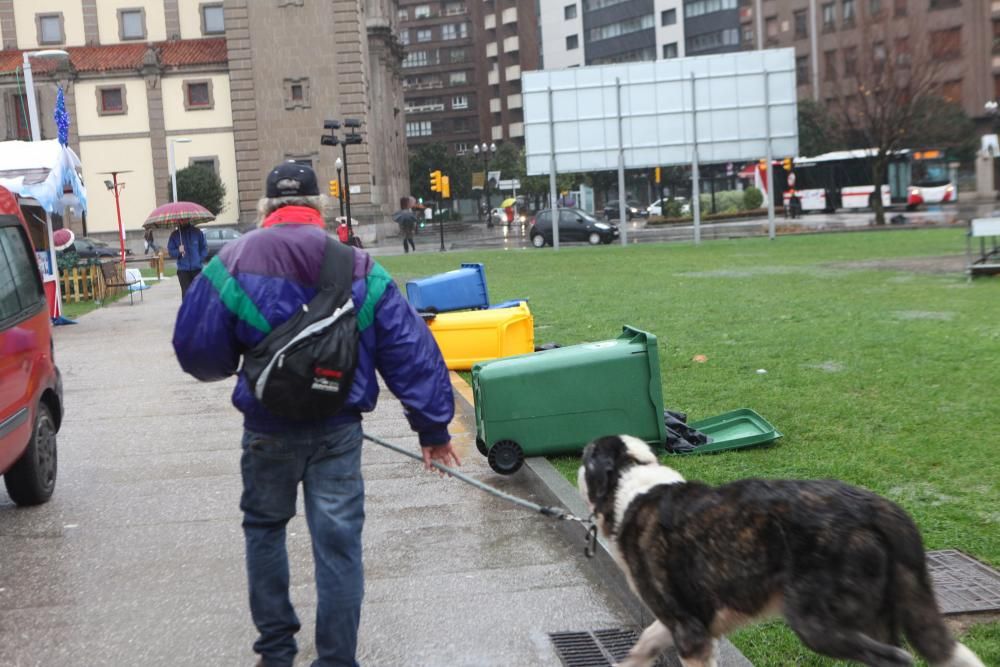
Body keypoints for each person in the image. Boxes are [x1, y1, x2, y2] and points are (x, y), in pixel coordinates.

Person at [172, 162, 459, 667]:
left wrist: (246, 357)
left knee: (264, 530)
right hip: (338, 430)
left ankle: (276, 652)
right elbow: (410, 349)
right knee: (339, 546)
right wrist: (432, 427)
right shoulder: (359, 267)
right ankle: (336, 658)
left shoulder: (232, 262)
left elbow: (198, 352)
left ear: (266, 207)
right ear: (320, 207)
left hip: (266, 427)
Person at [167, 221, 207, 297]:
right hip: (183, 271)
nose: (183, 221)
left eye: (185, 219)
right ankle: (187, 309)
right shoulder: (175, 235)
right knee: (186, 295)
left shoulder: (197, 232)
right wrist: (178, 251)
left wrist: (200, 259)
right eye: (181, 219)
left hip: (197, 269)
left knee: (198, 294)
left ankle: (197, 309)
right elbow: (171, 252)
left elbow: (204, 248)